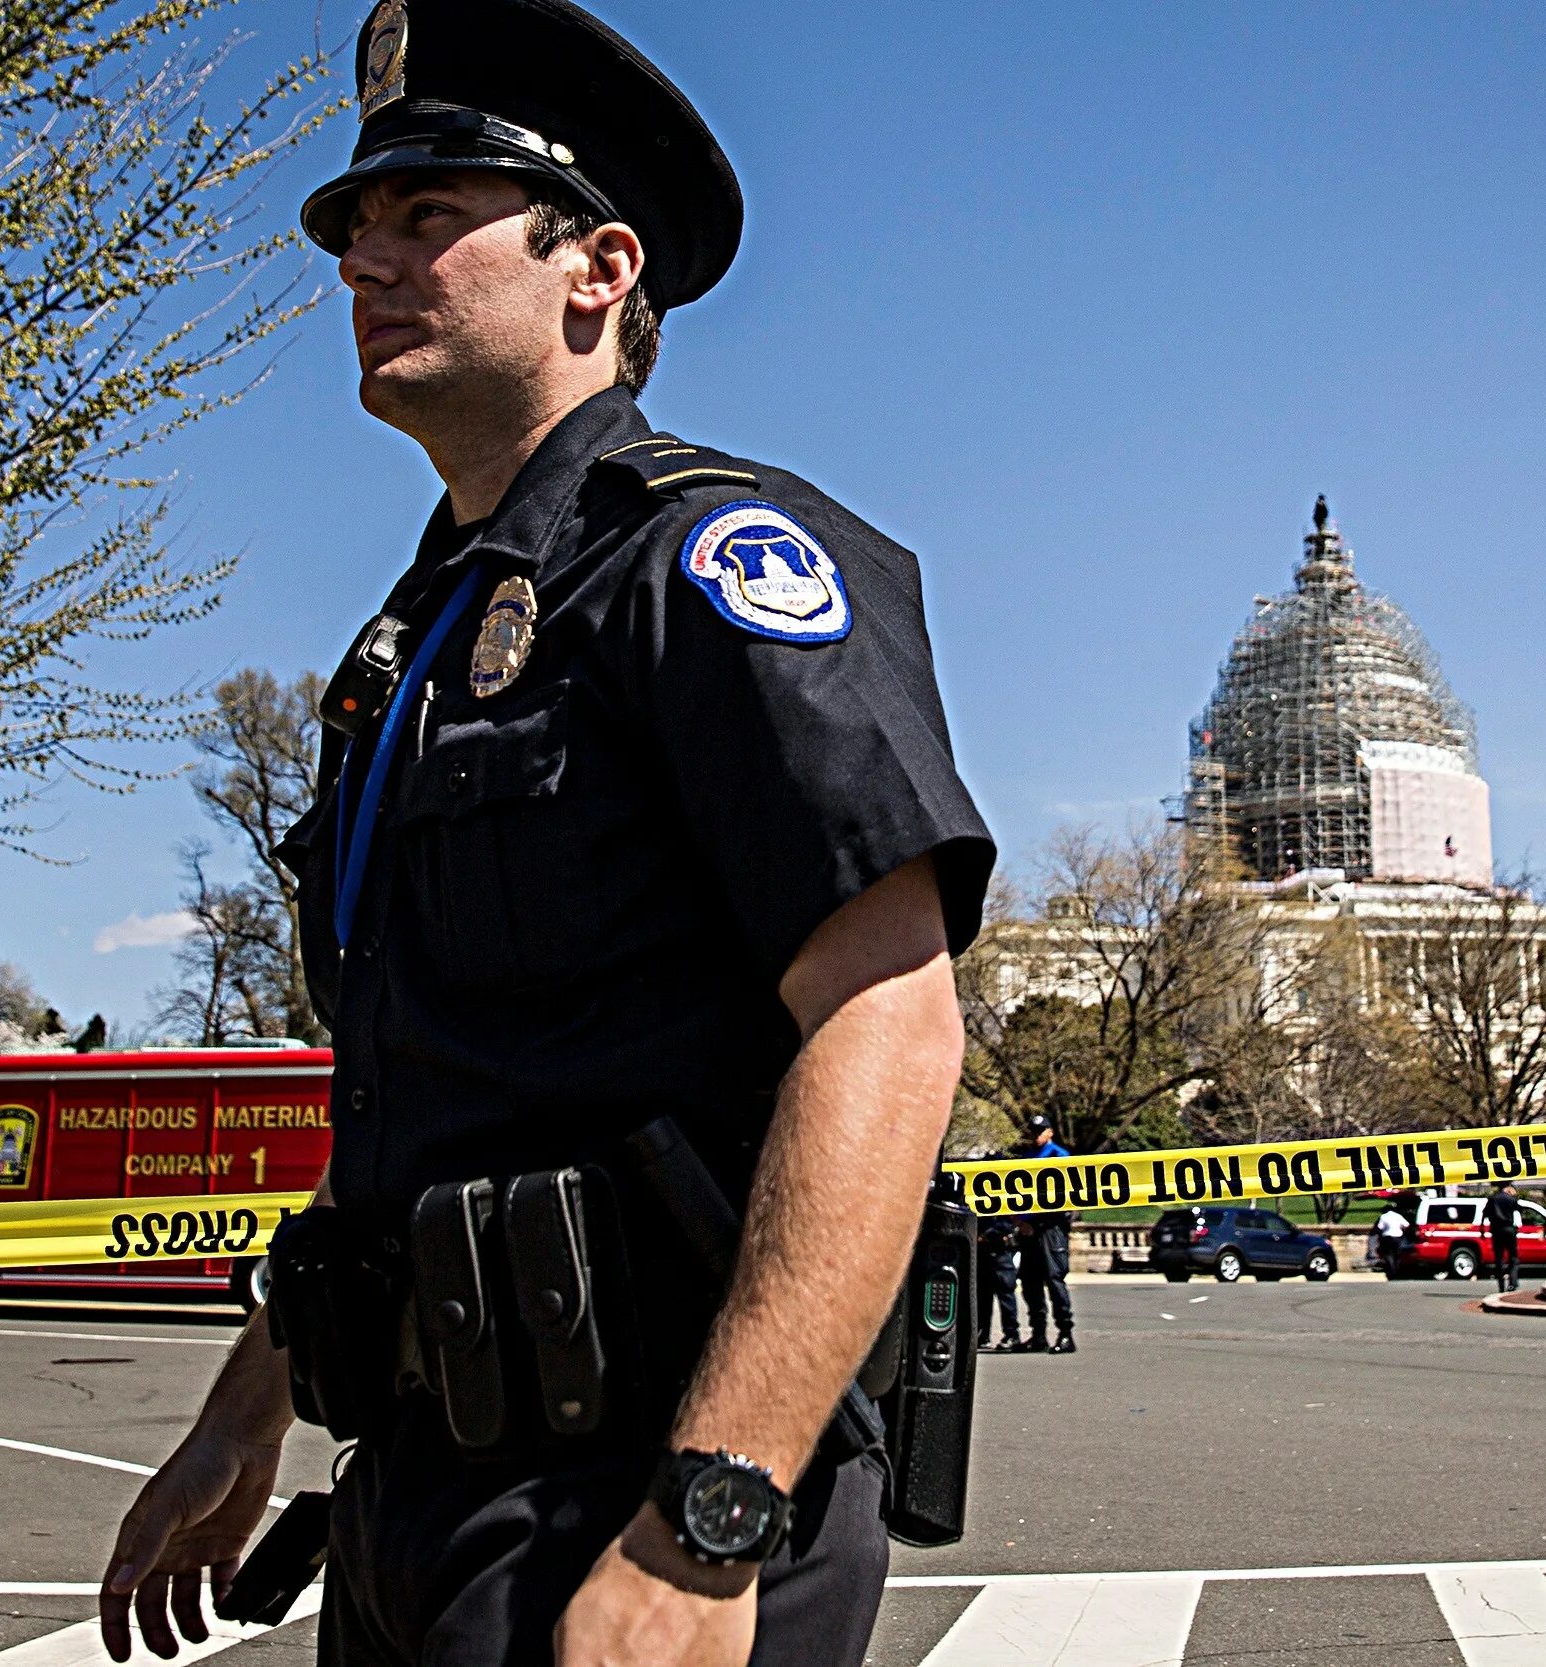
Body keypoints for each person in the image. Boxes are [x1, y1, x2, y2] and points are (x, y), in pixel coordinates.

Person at [93, 4, 994, 1663]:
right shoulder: (415, 649)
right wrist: (248, 1410)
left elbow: (891, 1019)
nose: (367, 260)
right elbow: (429, 1107)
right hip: (416, 1485)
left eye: (427, 218)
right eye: (357, 228)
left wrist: (714, 1517)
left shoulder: (709, 563)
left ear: (598, 269)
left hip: (633, 1484)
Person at [1012, 1115, 1075, 1354]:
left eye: (1040, 1130)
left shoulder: (1058, 1156)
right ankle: (1038, 1334)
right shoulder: (1026, 1157)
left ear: (1050, 1132)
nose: (1036, 1134)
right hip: (1028, 1229)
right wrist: (1018, 1221)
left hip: (1050, 1227)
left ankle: (1065, 1332)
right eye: (1033, 1130)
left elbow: (1067, 1194)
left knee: (1054, 1278)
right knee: (1029, 1282)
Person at [976, 1213, 1020, 1353]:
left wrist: (990, 1232)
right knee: (982, 1295)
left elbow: (1009, 1221)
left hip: (1000, 1247)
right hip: (984, 1248)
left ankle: (1011, 1334)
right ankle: (982, 1334)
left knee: (1005, 1294)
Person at [1483, 1181, 1522, 1292]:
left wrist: (1482, 1229)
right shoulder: (1510, 1199)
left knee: (1499, 1259)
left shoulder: (1492, 1199)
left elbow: (1484, 1214)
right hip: (1509, 1229)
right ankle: (1513, 1283)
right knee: (1513, 1257)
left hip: (1496, 1230)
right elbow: (1519, 1210)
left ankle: (1501, 1286)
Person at [1372, 1199, 1411, 1273]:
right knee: (1397, 1253)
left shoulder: (1384, 1216)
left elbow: (1380, 1227)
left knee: (1387, 1253)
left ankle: (1391, 1267)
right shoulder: (1398, 1216)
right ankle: (1396, 1268)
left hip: (1387, 1237)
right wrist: (1402, 1230)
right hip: (1398, 1237)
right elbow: (1406, 1225)